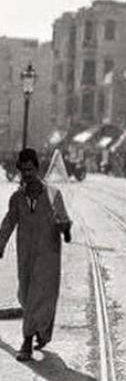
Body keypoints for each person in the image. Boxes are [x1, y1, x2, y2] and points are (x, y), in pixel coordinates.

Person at [0, 149, 72, 362]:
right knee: (25, 295)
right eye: (24, 171)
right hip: (25, 257)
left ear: (37, 169)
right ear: (20, 171)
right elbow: (8, 223)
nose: (27, 174)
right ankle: (41, 330)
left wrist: (65, 229)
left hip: (48, 257)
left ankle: (27, 341)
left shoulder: (53, 195)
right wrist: (0, 245)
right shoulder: (17, 198)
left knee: (38, 296)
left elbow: (65, 231)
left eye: (31, 170)